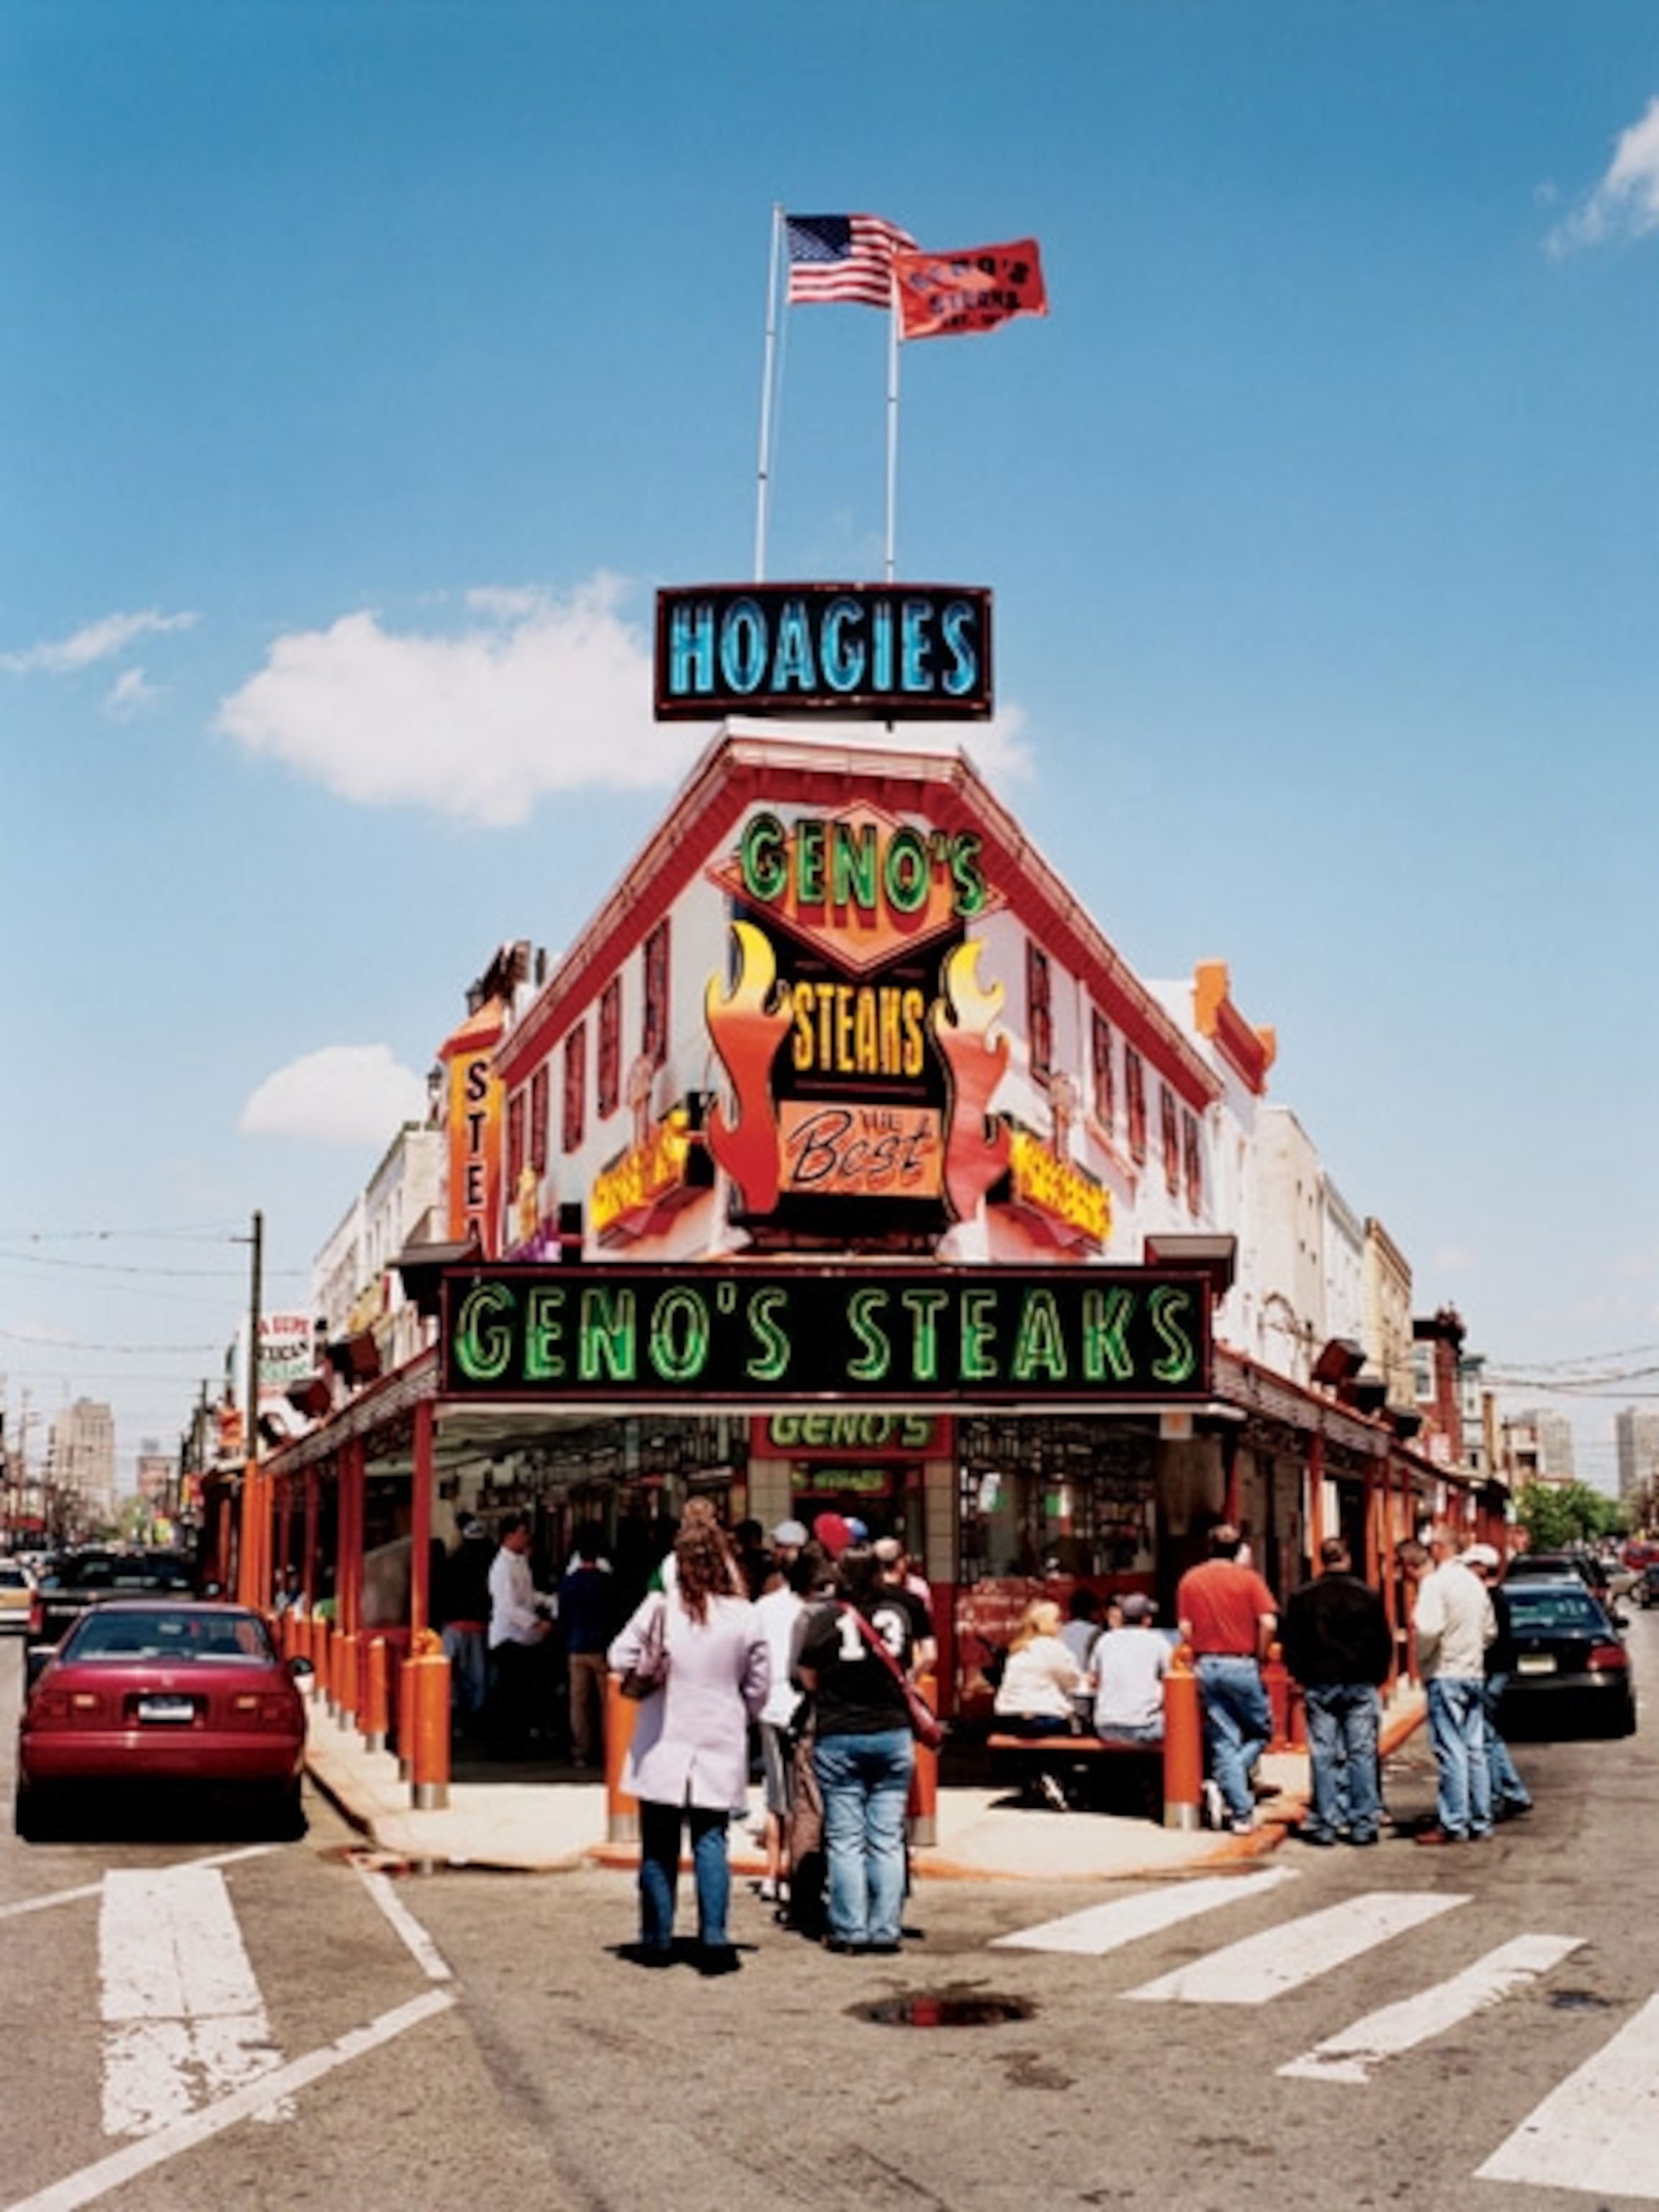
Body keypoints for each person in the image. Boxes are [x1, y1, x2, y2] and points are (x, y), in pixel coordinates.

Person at [608, 1519, 769, 1974]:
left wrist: (651, 1668)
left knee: (658, 1845)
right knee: (711, 1840)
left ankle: (657, 1939)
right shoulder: (745, 1615)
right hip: (719, 1735)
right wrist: (741, 1713)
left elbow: (617, 1657)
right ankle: (713, 1937)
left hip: (663, 1738)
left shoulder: (659, 1608)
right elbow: (758, 1685)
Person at [793, 1544, 930, 1955]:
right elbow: (919, 1661)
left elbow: (807, 1676)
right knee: (887, 1836)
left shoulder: (825, 1618)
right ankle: (886, 1927)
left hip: (839, 1733)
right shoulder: (902, 1612)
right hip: (892, 1731)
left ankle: (851, 1928)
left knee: (845, 1837)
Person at [1280, 1536, 1393, 1847]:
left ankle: (1326, 1821)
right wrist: (1379, 1677)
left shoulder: (1302, 1598)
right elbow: (1382, 1642)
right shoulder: (1367, 1596)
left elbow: (1292, 1641)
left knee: (1323, 1753)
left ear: (1321, 1559)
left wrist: (1299, 1675)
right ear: (1348, 1558)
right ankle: (1363, 1821)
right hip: (1359, 1681)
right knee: (1362, 1753)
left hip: (1319, 1681)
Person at [1176, 1523, 1278, 1835]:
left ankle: (1238, 1807)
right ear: (1238, 1550)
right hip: (1242, 1662)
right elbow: (1268, 1621)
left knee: (1223, 1736)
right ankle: (1232, 1784)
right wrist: (1260, 1654)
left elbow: (1185, 1628)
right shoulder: (1249, 1580)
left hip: (1207, 1663)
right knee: (1262, 1730)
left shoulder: (1191, 1580)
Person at [1398, 1529, 1496, 1845]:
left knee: (1450, 1749)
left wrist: (1423, 1659)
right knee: (1475, 1749)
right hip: (1473, 1672)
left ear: (1440, 1548)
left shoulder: (1435, 1584)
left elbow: (1428, 1628)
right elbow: (1489, 1631)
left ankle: (1454, 1821)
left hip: (1446, 1673)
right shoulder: (1474, 1584)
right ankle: (1481, 1819)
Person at [752, 1549, 816, 1905]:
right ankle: (794, 1870)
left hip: (768, 1704)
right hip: (800, 1707)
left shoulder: (763, 1607)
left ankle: (771, 1873)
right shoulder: (812, 1611)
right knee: (800, 1795)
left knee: (774, 1794)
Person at [1462, 1540, 1532, 1822]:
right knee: (1490, 1735)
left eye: (1470, 1565)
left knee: (1484, 1737)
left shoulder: (1488, 1599)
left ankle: (1496, 1795)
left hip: (1490, 1672)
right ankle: (1513, 1791)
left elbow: (1487, 1638)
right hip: (1496, 1671)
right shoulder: (1497, 1597)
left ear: (1482, 1568)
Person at [487, 1512, 556, 1757]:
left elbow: (526, 1594)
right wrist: (535, 1623)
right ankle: (504, 1745)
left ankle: (519, 1740)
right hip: (509, 1638)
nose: (526, 1537)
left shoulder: (521, 1561)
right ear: (509, 1536)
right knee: (508, 1695)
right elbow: (508, 1606)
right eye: (522, 1533)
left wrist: (548, 1601)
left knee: (522, 1694)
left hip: (525, 1639)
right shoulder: (501, 1567)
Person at [559, 1532, 616, 1767]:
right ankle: (609, 1747)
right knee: (607, 1701)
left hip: (576, 1647)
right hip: (601, 1647)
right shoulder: (607, 1583)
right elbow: (615, 1614)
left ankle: (581, 1750)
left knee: (578, 1702)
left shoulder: (568, 1583)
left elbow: (563, 1617)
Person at [992, 1599, 1084, 1736]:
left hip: (1008, 1717)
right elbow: (1074, 1681)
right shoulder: (1053, 1647)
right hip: (1042, 1718)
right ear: (1047, 1623)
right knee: (1075, 1727)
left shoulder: (1018, 1649)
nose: (1061, 1625)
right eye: (1057, 1620)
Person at [1092, 1592, 1171, 1744]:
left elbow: (1094, 1680)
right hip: (1144, 1727)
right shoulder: (1158, 1641)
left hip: (1105, 1728)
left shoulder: (1105, 1640)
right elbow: (1174, 1680)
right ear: (1146, 1619)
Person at [439, 1517, 495, 1731]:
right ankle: (476, 1718)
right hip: (480, 1625)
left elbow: (441, 1592)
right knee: (479, 1677)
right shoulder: (491, 1562)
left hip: (453, 1626)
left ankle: (454, 1715)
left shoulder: (452, 1561)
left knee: (451, 1675)